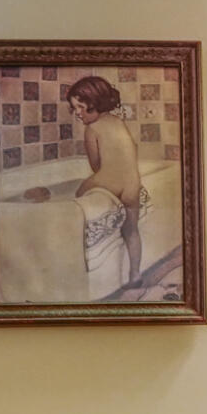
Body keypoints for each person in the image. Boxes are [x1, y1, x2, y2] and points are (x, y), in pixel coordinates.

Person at [68, 75, 144, 287]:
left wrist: (95, 183)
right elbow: (131, 152)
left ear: (95, 103)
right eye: (74, 108)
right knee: (132, 230)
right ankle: (135, 274)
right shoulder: (118, 121)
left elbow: (96, 166)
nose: (77, 113)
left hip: (108, 180)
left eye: (81, 107)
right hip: (132, 183)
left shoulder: (92, 129)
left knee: (76, 199)